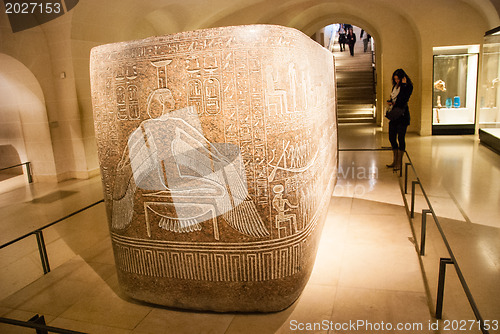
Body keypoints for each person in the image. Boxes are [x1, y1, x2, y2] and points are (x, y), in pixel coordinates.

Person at [386, 69, 413, 171]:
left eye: (398, 79)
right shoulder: (395, 86)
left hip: (402, 116)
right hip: (394, 115)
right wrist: (391, 103)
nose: (396, 81)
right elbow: (394, 98)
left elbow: (403, 100)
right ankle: (394, 161)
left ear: (402, 78)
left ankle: (399, 163)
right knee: (391, 137)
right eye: (395, 79)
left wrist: (404, 85)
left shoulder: (408, 87)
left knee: (401, 138)